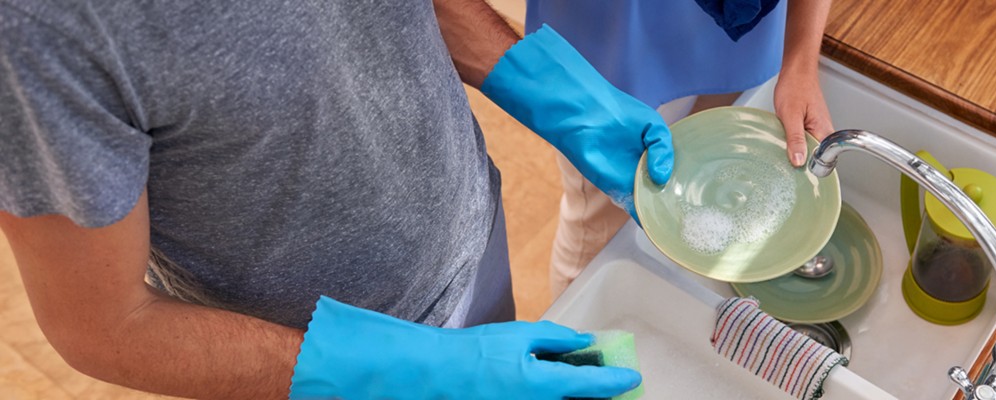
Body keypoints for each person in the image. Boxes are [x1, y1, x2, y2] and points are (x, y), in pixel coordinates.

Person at [0, 0, 671, 398]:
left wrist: (554, 95)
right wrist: (401, 370)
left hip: (472, 230)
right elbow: (102, 325)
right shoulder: (36, 30)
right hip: (301, 361)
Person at [528, 0, 836, 295]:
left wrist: (802, 61)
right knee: (600, 226)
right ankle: (574, 342)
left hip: (745, 32)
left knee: (709, 190)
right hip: (620, 28)